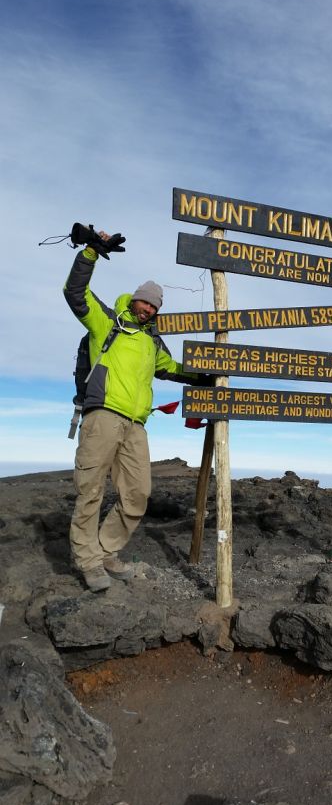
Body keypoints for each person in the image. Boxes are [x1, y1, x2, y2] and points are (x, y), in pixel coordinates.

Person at [64, 231, 206, 592]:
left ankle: (106, 550)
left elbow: (170, 368)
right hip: (103, 416)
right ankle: (89, 561)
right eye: (146, 303)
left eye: (155, 307)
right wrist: (92, 251)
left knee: (138, 495)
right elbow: (75, 293)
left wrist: (204, 375)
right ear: (137, 300)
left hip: (137, 424)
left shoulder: (151, 340)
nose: (150, 309)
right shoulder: (107, 322)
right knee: (90, 490)